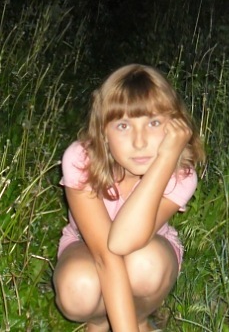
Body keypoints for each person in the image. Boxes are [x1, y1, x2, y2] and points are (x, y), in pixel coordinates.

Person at [53, 64, 206, 332]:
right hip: (86, 246)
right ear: (103, 131)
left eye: (154, 123)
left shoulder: (180, 175)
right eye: (123, 125)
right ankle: (100, 320)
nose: (139, 142)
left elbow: (123, 242)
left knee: (144, 263)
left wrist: (166, 159)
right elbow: (106, 254)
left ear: (175, 126)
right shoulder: (82, 160)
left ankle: (138, 316)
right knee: (78, 288)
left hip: (146, 249)